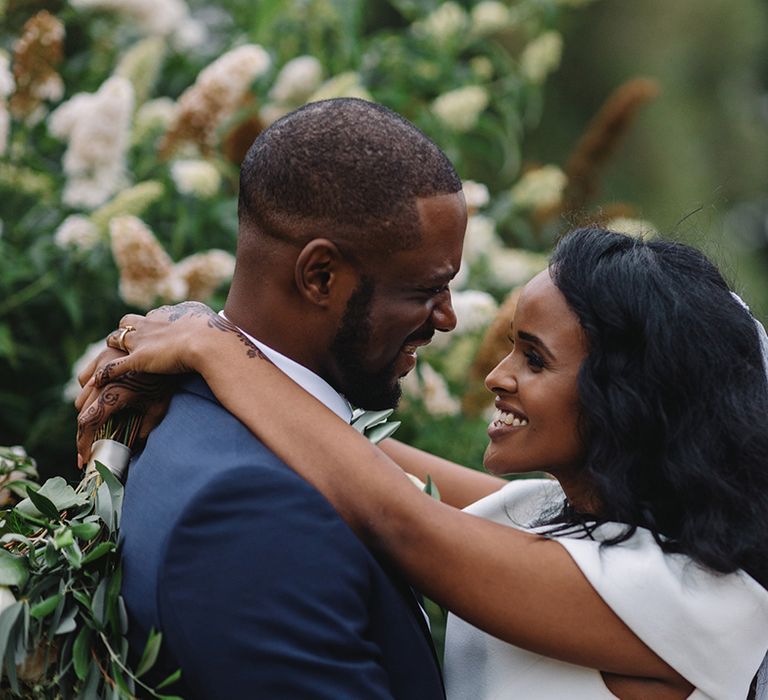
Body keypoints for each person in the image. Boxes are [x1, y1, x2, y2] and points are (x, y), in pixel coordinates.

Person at [79, 227, 768, 699]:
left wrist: (212, 350)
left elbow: (396, 516)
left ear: (628, 401)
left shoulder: (696, 599)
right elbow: (351, 447)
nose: (497, 376)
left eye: (533, 357)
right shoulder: (563, 520)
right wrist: (179, 350)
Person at [77, 97, 470, 699]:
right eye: (426, 289)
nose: (447, 318)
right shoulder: (252, 514)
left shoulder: (188, 408)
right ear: (319, 277)